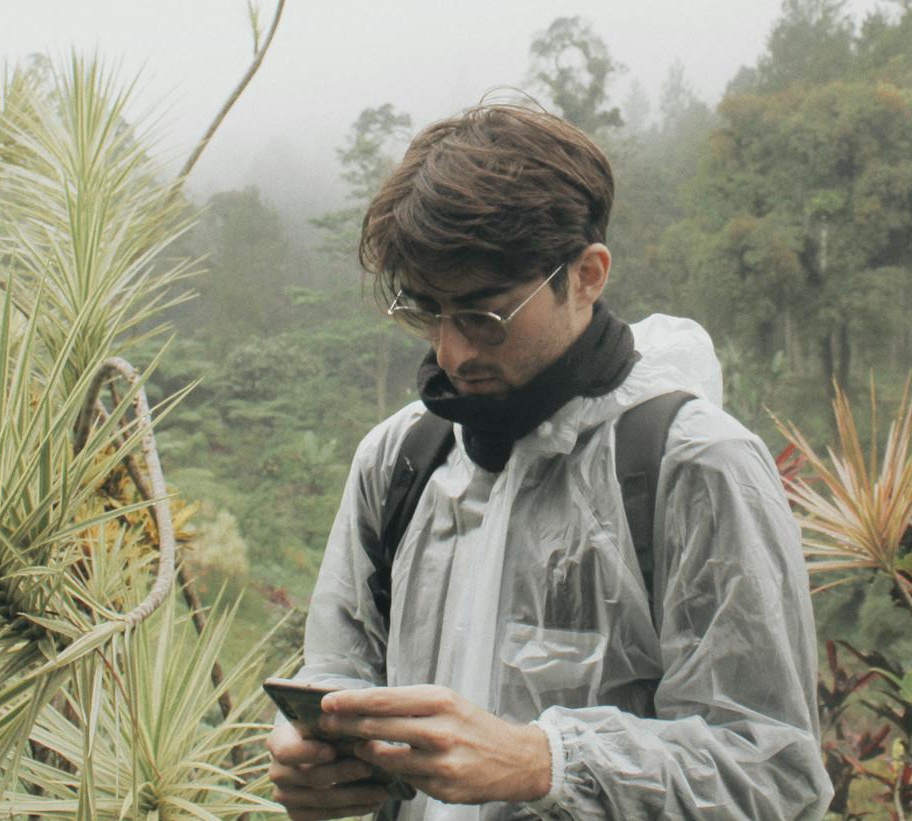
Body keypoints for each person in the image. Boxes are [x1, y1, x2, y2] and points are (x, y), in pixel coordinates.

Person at [268, 104, 831, 820]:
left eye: (484, 315)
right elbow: (339, 668)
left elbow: (774, 771)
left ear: (588, 275)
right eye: (427, 311)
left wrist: (546, 763)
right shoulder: (401, 458)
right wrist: (315, 758)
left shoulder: (693, 466)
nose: (451, 352)